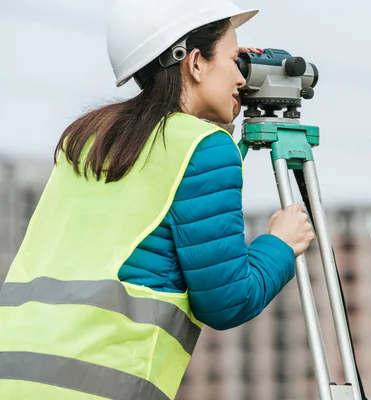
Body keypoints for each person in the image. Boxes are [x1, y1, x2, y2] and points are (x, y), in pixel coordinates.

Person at [0, 1, 314, 399]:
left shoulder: (88, 137)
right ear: (196, 63)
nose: (242, 77)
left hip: (14, 373)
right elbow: (227, 301)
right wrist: (279, 244)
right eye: (236, 60)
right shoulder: (204, 147)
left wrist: (222, 97)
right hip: (100, 385)